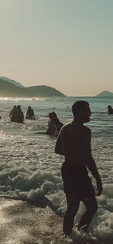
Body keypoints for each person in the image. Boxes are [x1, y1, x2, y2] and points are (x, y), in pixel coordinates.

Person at [55, 100, 102, 237]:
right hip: (79, 173)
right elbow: (88, 158)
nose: (90, 113)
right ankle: (81, 233)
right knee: (92, 207)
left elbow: (58, 150)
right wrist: (98, 179)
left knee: (72, 207)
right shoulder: (85, 131)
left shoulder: (65, 127)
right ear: (79, 112)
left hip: (67, 169)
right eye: (87, 110)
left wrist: (72, 152)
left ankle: (66, 236)